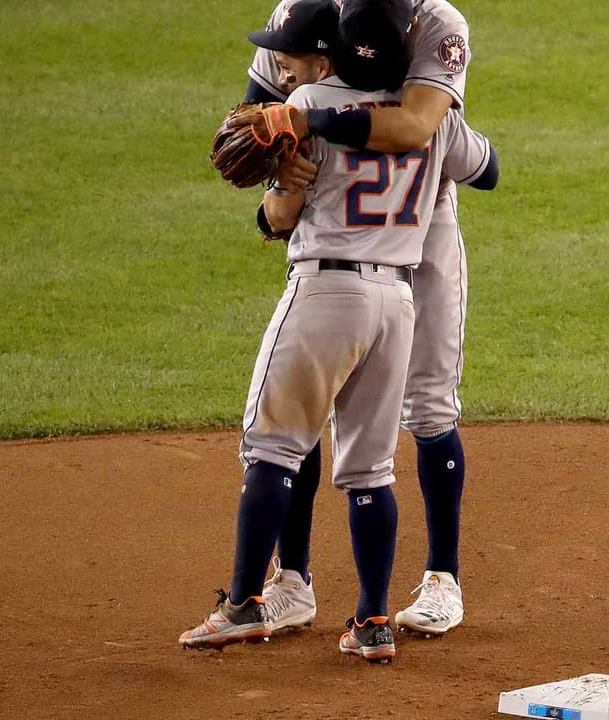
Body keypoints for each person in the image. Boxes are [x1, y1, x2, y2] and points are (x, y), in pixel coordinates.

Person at [180, 0, 498, 662]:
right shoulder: (311, 29)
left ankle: (247, 602)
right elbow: (478, 160)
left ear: (325, 58)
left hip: (336, 276)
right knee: (371, 464)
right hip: (395, 276)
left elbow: (271, 187)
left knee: (278, 437)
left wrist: (292, 154)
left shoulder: (430, 28)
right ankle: (368, 617)